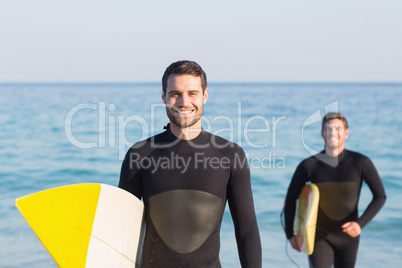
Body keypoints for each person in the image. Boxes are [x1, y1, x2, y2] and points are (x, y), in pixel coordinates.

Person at [119, 60, 262, 267]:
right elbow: (122, 226)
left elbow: (246, 229)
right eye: (175, 93)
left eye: (192, 93)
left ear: (205, 95)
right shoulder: (140, 154)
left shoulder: (230, 155)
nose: (184, 102)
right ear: (163, 97)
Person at [283, 112, 386, 268]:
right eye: (328, 128)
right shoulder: (309, 165)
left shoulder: (360, 163)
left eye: (337, 128)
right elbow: (291, 198)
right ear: (322, 133)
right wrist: (291, 234)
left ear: (346, 133)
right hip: (318, 236)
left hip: (348, 238)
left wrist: (360, 224)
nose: (332, 132)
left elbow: (380, 196)